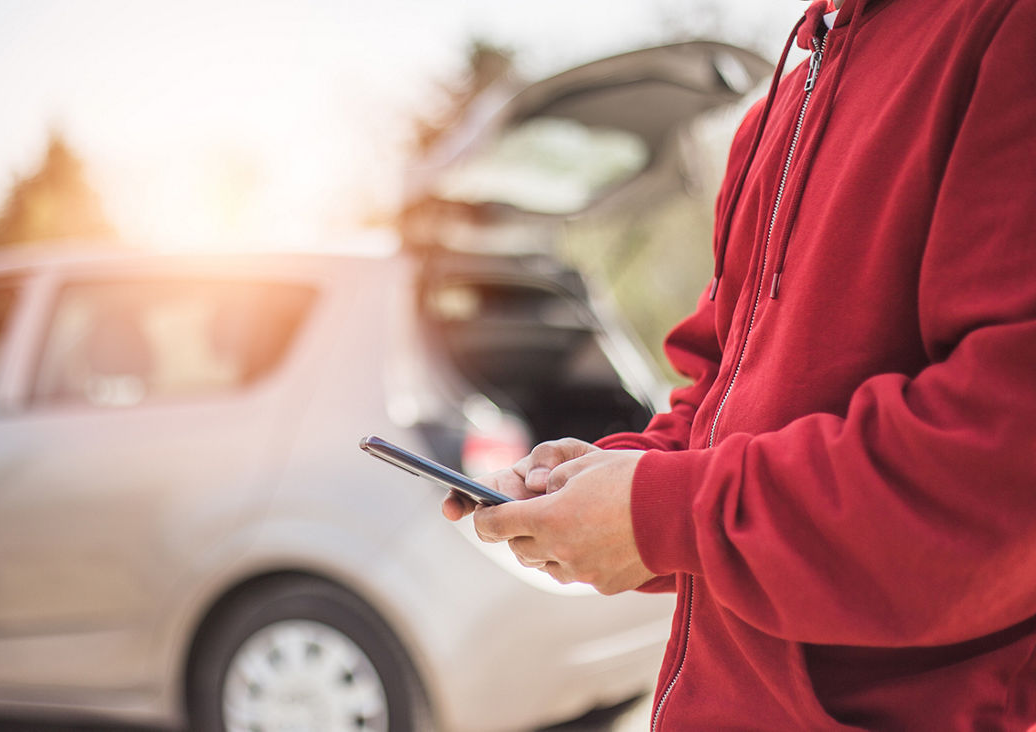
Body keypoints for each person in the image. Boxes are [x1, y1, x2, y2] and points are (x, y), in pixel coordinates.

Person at [442, 0, 1036, 727]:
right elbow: (717, 398)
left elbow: (1001, 468)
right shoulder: (783, 104)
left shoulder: (1007, 29)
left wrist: (663, 513)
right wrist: (609, 482)